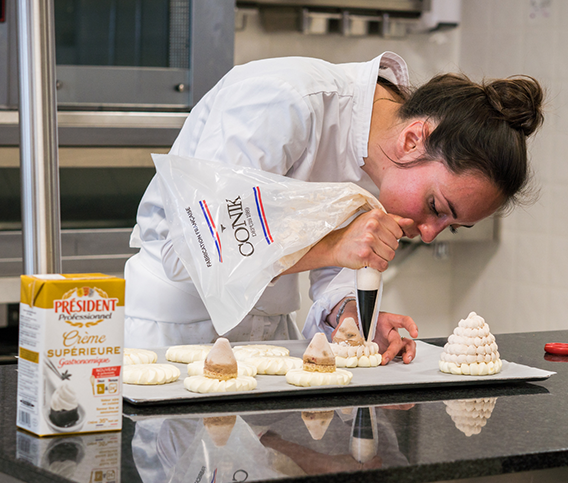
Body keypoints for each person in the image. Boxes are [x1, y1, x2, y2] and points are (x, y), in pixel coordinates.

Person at [124, 52, 544, 365]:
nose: (430, 232)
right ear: (414, 139)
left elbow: (334, 274)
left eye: (451, 226)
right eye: (437, 207)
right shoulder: (284, 100)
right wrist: (333, 246)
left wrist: (350, 319)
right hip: (173, 337)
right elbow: (192, 254)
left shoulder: (384, 159)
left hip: (268, 344)